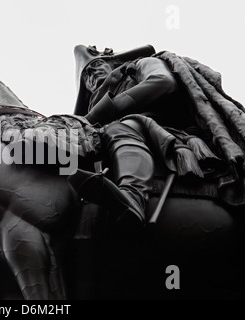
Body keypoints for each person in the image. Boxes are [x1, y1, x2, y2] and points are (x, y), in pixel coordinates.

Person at [68, 45, 201, 233]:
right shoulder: (92, 107)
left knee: (120, 127)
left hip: (157, 128)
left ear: (113, 62)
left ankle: (133, 197)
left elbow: (163, 82)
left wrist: (107, 111)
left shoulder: (139, 66)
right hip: (105, 137)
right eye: (86, 76)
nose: (93, 74)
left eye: (97, 65)